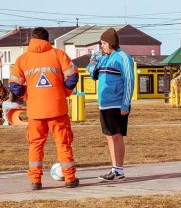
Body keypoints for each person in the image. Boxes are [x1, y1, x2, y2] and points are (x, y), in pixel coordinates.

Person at [9, 27, 79, 190]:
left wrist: (28, 95)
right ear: (48, 40)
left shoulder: (22, 59)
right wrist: (65, 92)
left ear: (32, 39)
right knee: (63, 144)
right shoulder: (58, 54)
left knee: (35, 145)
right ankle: (69, 179)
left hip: (35, 112)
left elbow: (14, 85)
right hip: (57, 110)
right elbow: (73, 76)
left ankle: (35, 181)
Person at [86, 28, 134, 181]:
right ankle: (114, 169)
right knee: (109, 137)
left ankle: (119, 170)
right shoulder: (104, 58)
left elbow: (129, 81)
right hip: (104, 104)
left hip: (117, 104)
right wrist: (93, 62)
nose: (102, 46)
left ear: (111, 43)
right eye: (101, 44)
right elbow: (93, 75)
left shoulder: (123, 57)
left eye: (104, 43)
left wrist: (125, 104)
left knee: (117, 136)